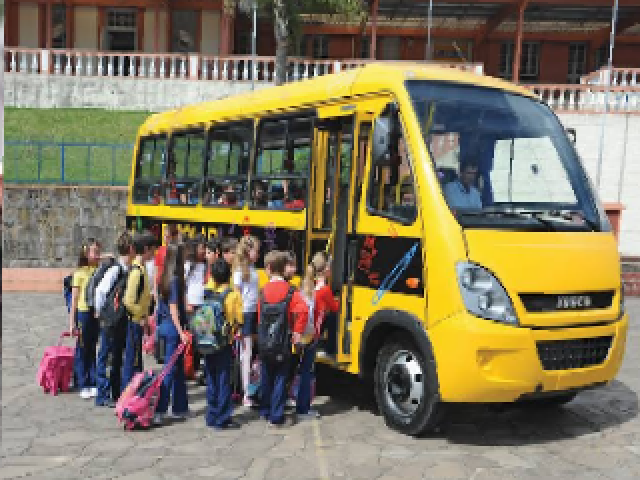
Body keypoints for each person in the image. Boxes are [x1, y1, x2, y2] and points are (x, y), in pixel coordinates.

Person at [258, 251, 309, 428]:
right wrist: (297, 333)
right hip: (282, 343)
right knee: (280, 378)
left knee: (266, 378)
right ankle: (276, 415)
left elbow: (259, 316)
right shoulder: (291, 291)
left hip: (265, 342)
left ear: (270, 269)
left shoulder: (263, 291)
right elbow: (302, 311)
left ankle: (264, 410)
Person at [94, 231, 135, 407]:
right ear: (131, 249)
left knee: (117, 356)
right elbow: (100, 291)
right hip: (110, 320)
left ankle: (115, 392)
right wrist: (100, 312)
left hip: (119, 320)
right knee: (106, 355)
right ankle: (103, 394)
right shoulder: (116, 269)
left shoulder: (126, 269)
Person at [203, 258, 244, 429]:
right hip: (223, 343)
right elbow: (239, 320)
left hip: (206, 341)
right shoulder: (233, 295)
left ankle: (211, 415)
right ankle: (223, 418)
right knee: (223, 379)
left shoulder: (208, 291)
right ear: (229, 276)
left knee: (211, 378)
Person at [154, 244, 190, 425]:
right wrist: (181, 331)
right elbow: (174, 309)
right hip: (172, 329)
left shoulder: (164, 278)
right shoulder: (175, 281)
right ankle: (160, 409)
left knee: (177, 370)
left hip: (165, 327)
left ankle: (180, 406)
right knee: (169, 371)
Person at [69, 238, 101, 399]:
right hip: (83, 313)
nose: (97, 254)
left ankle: (93, 380)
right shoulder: (79, 273)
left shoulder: (99, 270)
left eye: (98, 251)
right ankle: (82, 382)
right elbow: (74, 300)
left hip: (96, 313)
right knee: (82, 349)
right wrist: (72, 323)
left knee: (92, 348)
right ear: (86, 253)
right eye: (94, 251)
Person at [121, 231, 153, 392]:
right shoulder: (136, 272)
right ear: (146, 249)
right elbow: (128, 300)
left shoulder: (142, 268)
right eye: (152, 249)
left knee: (136, 362)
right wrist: (140, 315)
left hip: (139, 321)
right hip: (134, 322)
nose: (153, 253)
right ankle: (127, 396)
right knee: (131, 362)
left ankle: (134, 394)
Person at [232, 236, 261, 407]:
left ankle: (248, 390)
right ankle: (245, 393)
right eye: (256, 250)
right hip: (245, 314)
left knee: (249, 353)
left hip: (251, 312)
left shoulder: (250, 268)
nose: (257, 254)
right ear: (248, 251)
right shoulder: (239, 272)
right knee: (246, 354)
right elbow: (237, 296)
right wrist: (238, 320)